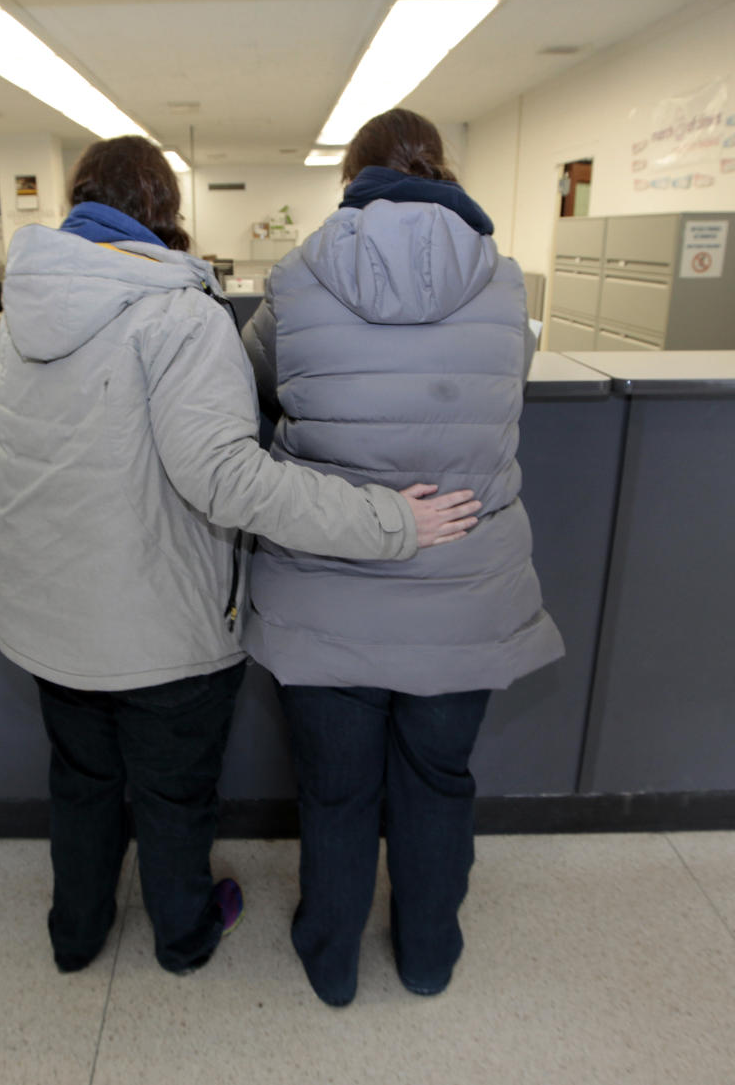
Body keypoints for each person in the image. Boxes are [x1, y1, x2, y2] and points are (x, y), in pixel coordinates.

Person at [0, 135, 480, 980]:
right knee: (175, 797)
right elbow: (228, 478)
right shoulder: (180, 313)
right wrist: (389, 522)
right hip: (161, 627)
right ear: (166, 216)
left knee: (81, 783)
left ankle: (75, 932)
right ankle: (183, 938)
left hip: (50, 615)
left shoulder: (29, 304)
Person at [240, 108, 565, 1007]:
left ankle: (330, 958)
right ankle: (427, 954)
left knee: (336, 792)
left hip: (326, 593)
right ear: (442, 168)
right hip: (466, 592)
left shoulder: (299, 278)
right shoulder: (503, 284)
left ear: (352, 176)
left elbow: (254, 379)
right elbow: (506, 392)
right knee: (437, 781)